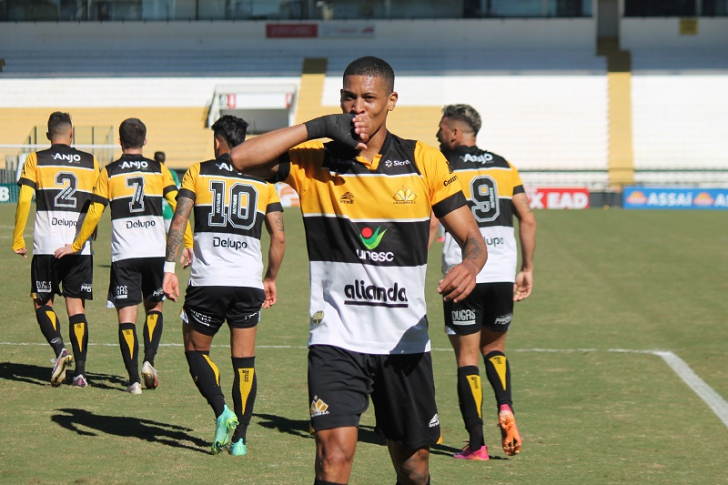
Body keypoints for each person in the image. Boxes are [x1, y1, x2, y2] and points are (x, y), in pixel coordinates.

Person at [228, 56, 487, 485]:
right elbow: (239, 159)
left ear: (391, 101)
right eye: (349, 97)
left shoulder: (424, 160)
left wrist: (471, 264)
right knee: (334, 456)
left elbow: (473, 239)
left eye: (369, 98)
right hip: (336, 337)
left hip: (404, 341)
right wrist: (317, 127)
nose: (357, 107)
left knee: (415, 467)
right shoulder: (316, 159)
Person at [163, 115, 286, 456]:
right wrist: (271, 277)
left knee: (195, 351)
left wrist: (168, 268)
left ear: (219, 141)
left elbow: (179, 219)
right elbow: (279, 236)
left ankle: (222, 412)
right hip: (248, 283)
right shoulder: (264, 180)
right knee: (244, 362)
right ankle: (241, 440)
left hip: (208, 282)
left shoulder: (198, 171)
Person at [55, 118, 191, 394]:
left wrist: (77, 243)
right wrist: (187, 242)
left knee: (126, 318)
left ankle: (133, 381)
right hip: (154, 253)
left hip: (124, 255)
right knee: (154, 308)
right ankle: (149, 361)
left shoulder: (110, 172)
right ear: (145, 141)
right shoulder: (159, 170)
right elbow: (180, 206)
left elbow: (95, 212)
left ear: (120, 141)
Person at [431, 104, 536, 460]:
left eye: (442, 129)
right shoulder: (504, 165)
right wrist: (528, 268)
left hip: (464, 273)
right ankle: (505, 407)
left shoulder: (445, 166)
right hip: (502, 272)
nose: (438, 134)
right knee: (496, 348)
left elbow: (432, 225)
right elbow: (528, 219)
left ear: (455, 133)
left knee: (467, 359)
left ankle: (476, 444)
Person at [12, 111, 100, 388]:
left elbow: (25, 199)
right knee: (76, 307)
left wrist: (18, 238)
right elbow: (96, 205)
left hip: (47, 244)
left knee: (42, 301)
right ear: (71, 133)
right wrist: (88, 234)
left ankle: (61, 350)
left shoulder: (36, 158)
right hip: (78, 246)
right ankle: (82, 374)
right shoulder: (91, 161)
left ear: (48, 135)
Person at [154, 151, 180, 233]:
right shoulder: (171, 173)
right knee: (172, 240)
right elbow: (177, 192)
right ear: (164, 160)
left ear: (154, 159)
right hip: (169, 211)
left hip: (155, 212)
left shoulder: (151, 174)